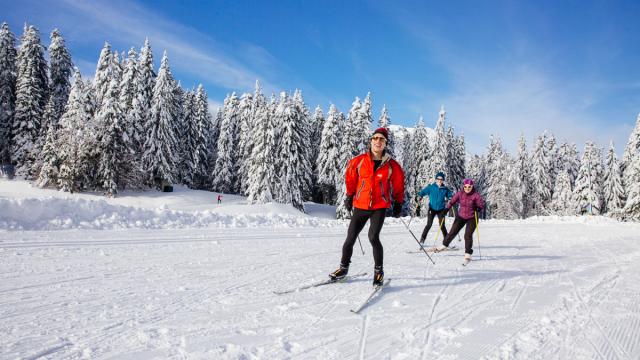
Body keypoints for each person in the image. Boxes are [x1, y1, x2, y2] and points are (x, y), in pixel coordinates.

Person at [329, 127, 405, 286]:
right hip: (361, 205)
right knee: (350, 238)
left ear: (385, 143)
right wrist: (349, 196)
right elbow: (350, 179)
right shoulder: (358, 161)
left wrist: (398, 202)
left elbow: (398, 185)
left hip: (379, 207)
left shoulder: (392, 166)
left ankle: (379, 272)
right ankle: (343, 269)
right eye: (375, 138)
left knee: (373, 237)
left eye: (382, 139)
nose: (378, 141)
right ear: (371, 141)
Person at [439, 178, 485, 262]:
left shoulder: (475, 195)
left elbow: (481, 205)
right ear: (463, 187)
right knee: (452, 232)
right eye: (466, 187)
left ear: (472, 187)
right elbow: (452, 202)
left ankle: (468, 253)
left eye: (469, 187)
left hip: (472, 218)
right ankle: (444, 245)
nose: (467, 189)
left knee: (467, 235)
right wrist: (446, 210)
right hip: (461, 216)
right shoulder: (460, 194)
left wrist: (478, 208)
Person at [415, 172, 453, 246]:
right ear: (436, 179)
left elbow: (450, 195)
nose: (439, 180)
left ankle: (447, 242)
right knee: (429, 225)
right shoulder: (431, 187)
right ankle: (422, 240)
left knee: (442, 226)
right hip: (432, 209)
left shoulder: (445, 189)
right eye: (438, 179)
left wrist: (450, 198)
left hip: (441, 209)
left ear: (443, 180)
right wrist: (420, 196)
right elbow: (423, 192)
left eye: (441, 179)